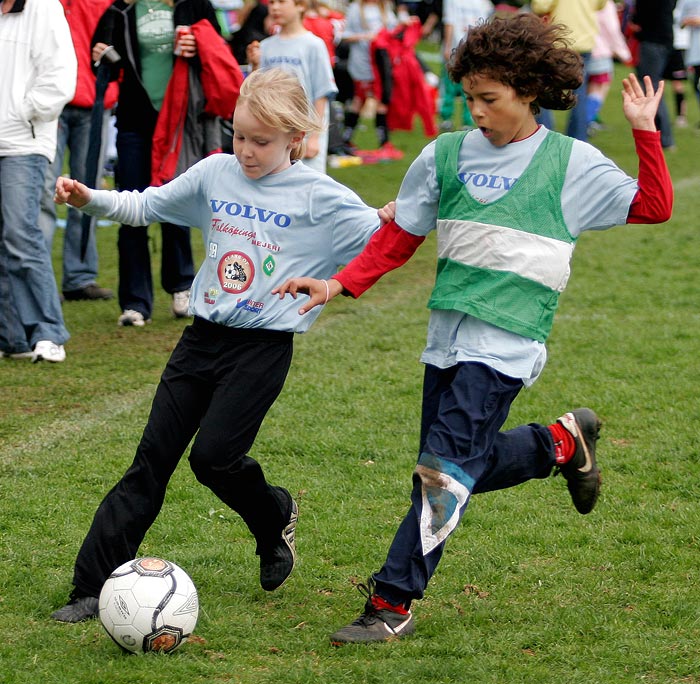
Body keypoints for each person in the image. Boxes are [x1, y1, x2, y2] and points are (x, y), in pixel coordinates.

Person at [274, 13, 674, 643]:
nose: (477, 110)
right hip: (447, 337)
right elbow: (399, 236)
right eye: (470, 97)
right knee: (457, 467)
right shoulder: (446, 154)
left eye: (489, 99)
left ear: (528, 90)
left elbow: (653, 206)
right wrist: (337, 283)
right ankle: (560, 444)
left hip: (509, 341)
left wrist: (645, 132)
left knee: (442, 474)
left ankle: (392, 601)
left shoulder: (572, 163)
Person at [49, 68, 386, 623]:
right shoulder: (215, 174)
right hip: (201, 340)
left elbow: (381, 242)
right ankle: (91, 587)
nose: (247, 152)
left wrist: (396, 219)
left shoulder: (321, 197)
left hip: (263, 347)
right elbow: (148, 205)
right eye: (239, 135)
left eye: (262, 141)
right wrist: (90, 199)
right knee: (150, 461)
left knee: (213, 459)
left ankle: (273, 512)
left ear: (294, 141)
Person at [91, 0, 222, 327]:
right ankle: (135, 303)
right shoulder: (121, 9)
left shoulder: (194, 5)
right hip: (135, 121)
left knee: (175, 201)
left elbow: (221, 51)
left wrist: (199, 45)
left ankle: (181, 286)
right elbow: (99, 54)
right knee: (130, 208)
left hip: (180, 121)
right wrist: (100, 56)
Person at [0, 0, 77, 363]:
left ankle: (48, 332)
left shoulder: (44, 7)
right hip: (15, 134)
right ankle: (11, 337)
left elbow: (61, 74)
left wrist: (24, 111)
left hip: (23, 141)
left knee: (20, 234)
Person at [38, 0, 118, 303]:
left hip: (95, 103)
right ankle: (39, 280)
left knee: (88, 193)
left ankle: (80, 277)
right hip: (49, 107)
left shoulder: (104, 2)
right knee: (43, 194)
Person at [260, 0, 338, 174]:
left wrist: (315, 138)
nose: (275, 7)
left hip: (304, 132)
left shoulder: (314, 45)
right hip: (273, 132)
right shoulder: (265, 46)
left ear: (300, 6)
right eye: (271, 2)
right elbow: (259, 90)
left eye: (281, 2)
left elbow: (321, 93)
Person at [531, 0, 607, 142]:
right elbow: (601, 4)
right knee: (580, 91)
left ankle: (543, 135)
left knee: (543, 87)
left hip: (558, 39)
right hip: (585, 40)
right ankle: (578, 138)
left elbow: (541, 5)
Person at [340, 0, 405, 160]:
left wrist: (403, 25)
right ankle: (345, 140)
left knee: (381, 100)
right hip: (362, 63)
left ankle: (384, 143)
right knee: (359, 99)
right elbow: (345, 36)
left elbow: (394, 30)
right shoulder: (356, 8)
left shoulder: (384, 8)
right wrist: (366, 37)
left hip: (381, 62)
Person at [438, 0, 493, 132]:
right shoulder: (484, 3)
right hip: (474, 50)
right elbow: (486, 27)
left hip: (456, 48)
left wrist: (447, 46)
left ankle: (446, 119)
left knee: (449, 86)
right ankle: (467, 121)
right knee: (470, 87)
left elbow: (449, 22)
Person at [631, 0, 677, 150]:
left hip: (652, 41)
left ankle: (664, 138)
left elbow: (641, 16)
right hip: (664, 40)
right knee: (653, 88)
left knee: (651, 90)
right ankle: (660, 136)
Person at [585, 0, 632, 134]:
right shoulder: (604, 3)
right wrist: (623, 52)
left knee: (585, 90)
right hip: (599, 50)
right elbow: (612, 29)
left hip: (579, 49)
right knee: (600, 87)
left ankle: (586, 122)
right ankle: (586, 122)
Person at [679, 0, 700, 124]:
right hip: (694, 52)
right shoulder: (686, 1)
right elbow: (679, 22)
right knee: (696, 85)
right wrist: (688, 21)